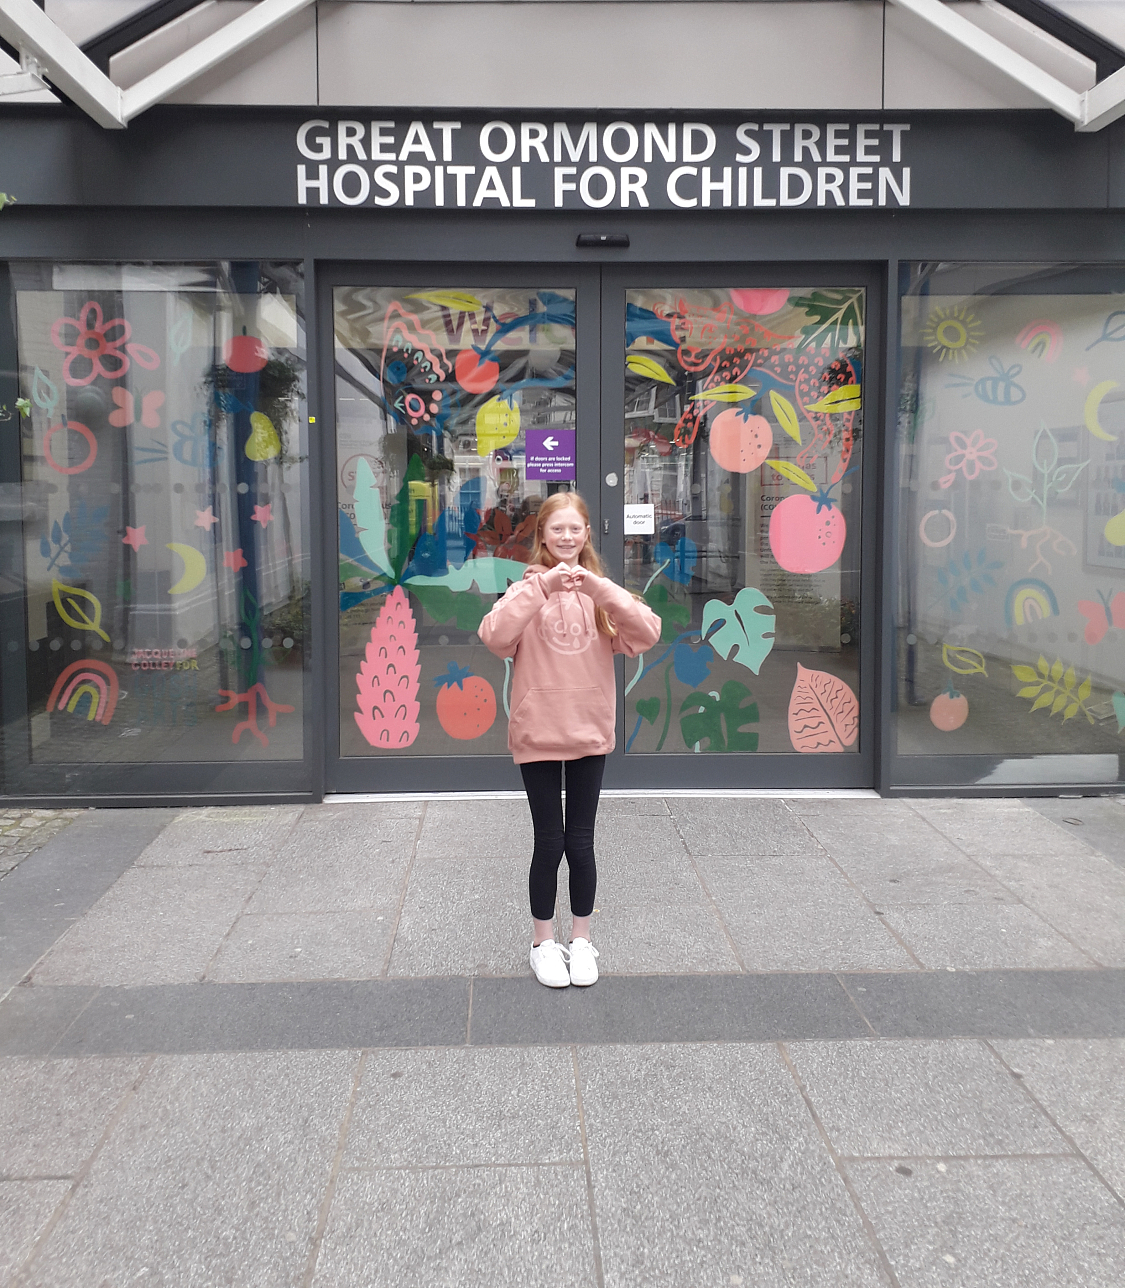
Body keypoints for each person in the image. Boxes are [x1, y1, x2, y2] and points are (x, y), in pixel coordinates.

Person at [480, 491, 661, 988]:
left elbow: (646, 633)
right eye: (555, 529)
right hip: (539, 730)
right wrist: (542, 590)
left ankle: (580, 940)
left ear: (585, 535)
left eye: (574, 529)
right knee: (548, 841)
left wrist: (601, 590)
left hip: (588, 728)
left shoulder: (600, 592)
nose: (565, 537)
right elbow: (495, 637)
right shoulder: (526, 588)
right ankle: (543, 942)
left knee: (580, 842)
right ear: (541, 535)